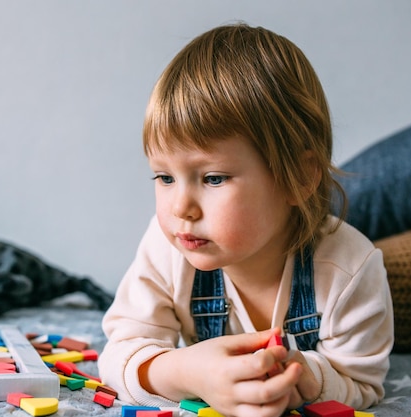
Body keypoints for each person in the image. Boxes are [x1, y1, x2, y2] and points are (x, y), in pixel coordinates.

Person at [97, 23, 393, 417]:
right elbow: (120, 352)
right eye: (165, 177)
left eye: (213, 178)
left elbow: (363, 383)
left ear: (299, 177)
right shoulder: (166, 250)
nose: (181, 208)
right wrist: (187, 371)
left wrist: (304, 381)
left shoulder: (349, 269)